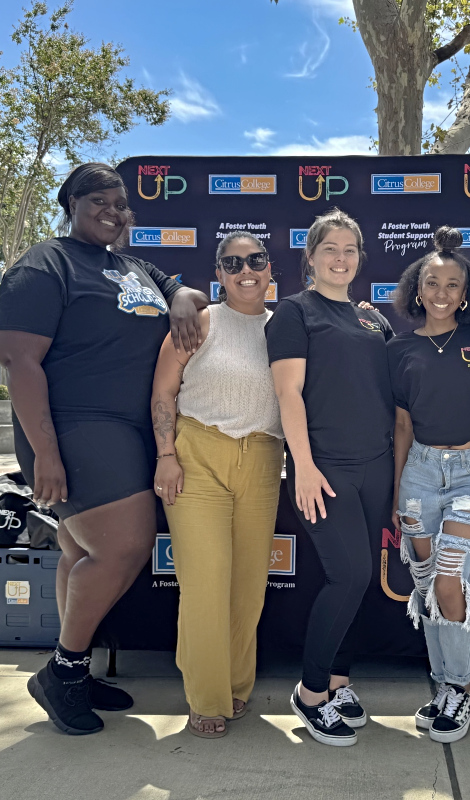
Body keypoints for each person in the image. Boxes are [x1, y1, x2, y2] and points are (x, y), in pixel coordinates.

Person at [0, 163, 209, 736]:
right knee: (123, 546)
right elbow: (19, 363)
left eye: (121, 204)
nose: (114, 212)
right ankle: (62, 673)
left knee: (77, 553)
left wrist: (184, 297)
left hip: (133, 427)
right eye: (100, 201)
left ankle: (77, 664)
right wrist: (45, 454)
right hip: (77, 425)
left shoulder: (132, 265)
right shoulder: (47, 261)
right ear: (71, 203)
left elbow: (177, 288)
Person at [265, 208, 394, 747]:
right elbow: (288, 393)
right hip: (327, 468)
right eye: (330, 249)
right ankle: (312, 692)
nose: (340, 259)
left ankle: (339, 683)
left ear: (360, 259)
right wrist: (305, 466)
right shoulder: (294, 313)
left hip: (378, 465)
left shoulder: (372, 320)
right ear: (311, 257)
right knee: (348, 577)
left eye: (350, 250)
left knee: (363, 582)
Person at [151, 231, 284, 739]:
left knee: (247, 587)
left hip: (263, 458)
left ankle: (233, 684)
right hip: (197, 456)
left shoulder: (285, 327)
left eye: (255, 260)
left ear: (271, 267)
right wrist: (166, 456)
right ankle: (206, 698)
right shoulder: (199, 321)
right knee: (205, 582)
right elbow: (164, 390)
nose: (245, 270)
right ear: (219, 272)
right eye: (233, 263)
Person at [388, 227, 470, 743]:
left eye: (454, 283)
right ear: (417, 288)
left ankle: (461, 685)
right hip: (420, 473)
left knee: (452, 577)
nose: (442, 293)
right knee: (427, 583)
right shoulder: (399, 348)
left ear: (466, 291)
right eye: (433, 282)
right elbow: (402, 426)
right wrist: (395, 492)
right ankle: (441, 689)